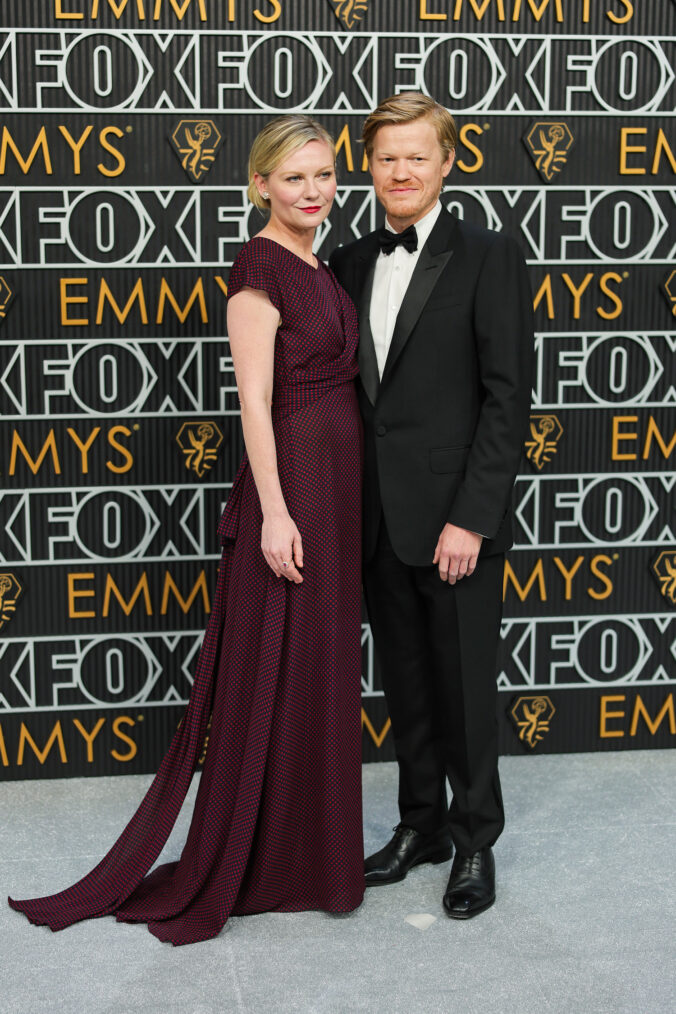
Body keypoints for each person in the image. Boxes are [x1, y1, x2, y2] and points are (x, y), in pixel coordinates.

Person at [9, 115, 365, 945]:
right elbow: (253, 402)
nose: (312, 191)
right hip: (297, 494)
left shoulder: (321, 262)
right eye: (294, 178)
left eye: (323, 175)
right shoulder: (258, 272)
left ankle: (311, 854)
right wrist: (275, 511)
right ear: (261, 186)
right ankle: (261, 857)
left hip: (341, 493)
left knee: (315, 669)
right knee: (276, 666)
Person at [329, 93, 534, 919]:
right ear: (368, 166)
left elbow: (507, 398)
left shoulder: (490, 255)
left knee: (462, 694)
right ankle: (421, 826)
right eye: (387, 158)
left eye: (418, 156)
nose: (402, 171)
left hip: (455, 523)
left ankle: (475, 840)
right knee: (407, 688)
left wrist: (473, 518)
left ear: (448, 162)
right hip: (376, 518)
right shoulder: (346, 260)